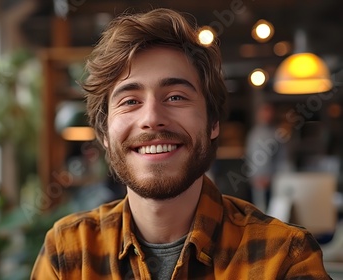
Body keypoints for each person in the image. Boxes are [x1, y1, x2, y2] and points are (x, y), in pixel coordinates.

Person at [31, 8, 330, 279]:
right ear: (105, 135)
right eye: (130, 101)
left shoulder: (283, 257)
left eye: (176, 97)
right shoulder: (69, 253)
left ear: (213, 123)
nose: (152, 118)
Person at [245, 103, 289, 212]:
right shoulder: (254, 134)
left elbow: (282, 159)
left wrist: (272, 177)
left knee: (273, 211)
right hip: (257, 181)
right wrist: (254, 177)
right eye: (264, 112)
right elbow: (250, 156)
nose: (266, 115)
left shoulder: (277, 134)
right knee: (258, 211)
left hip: (273, 180)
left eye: (269, 112)